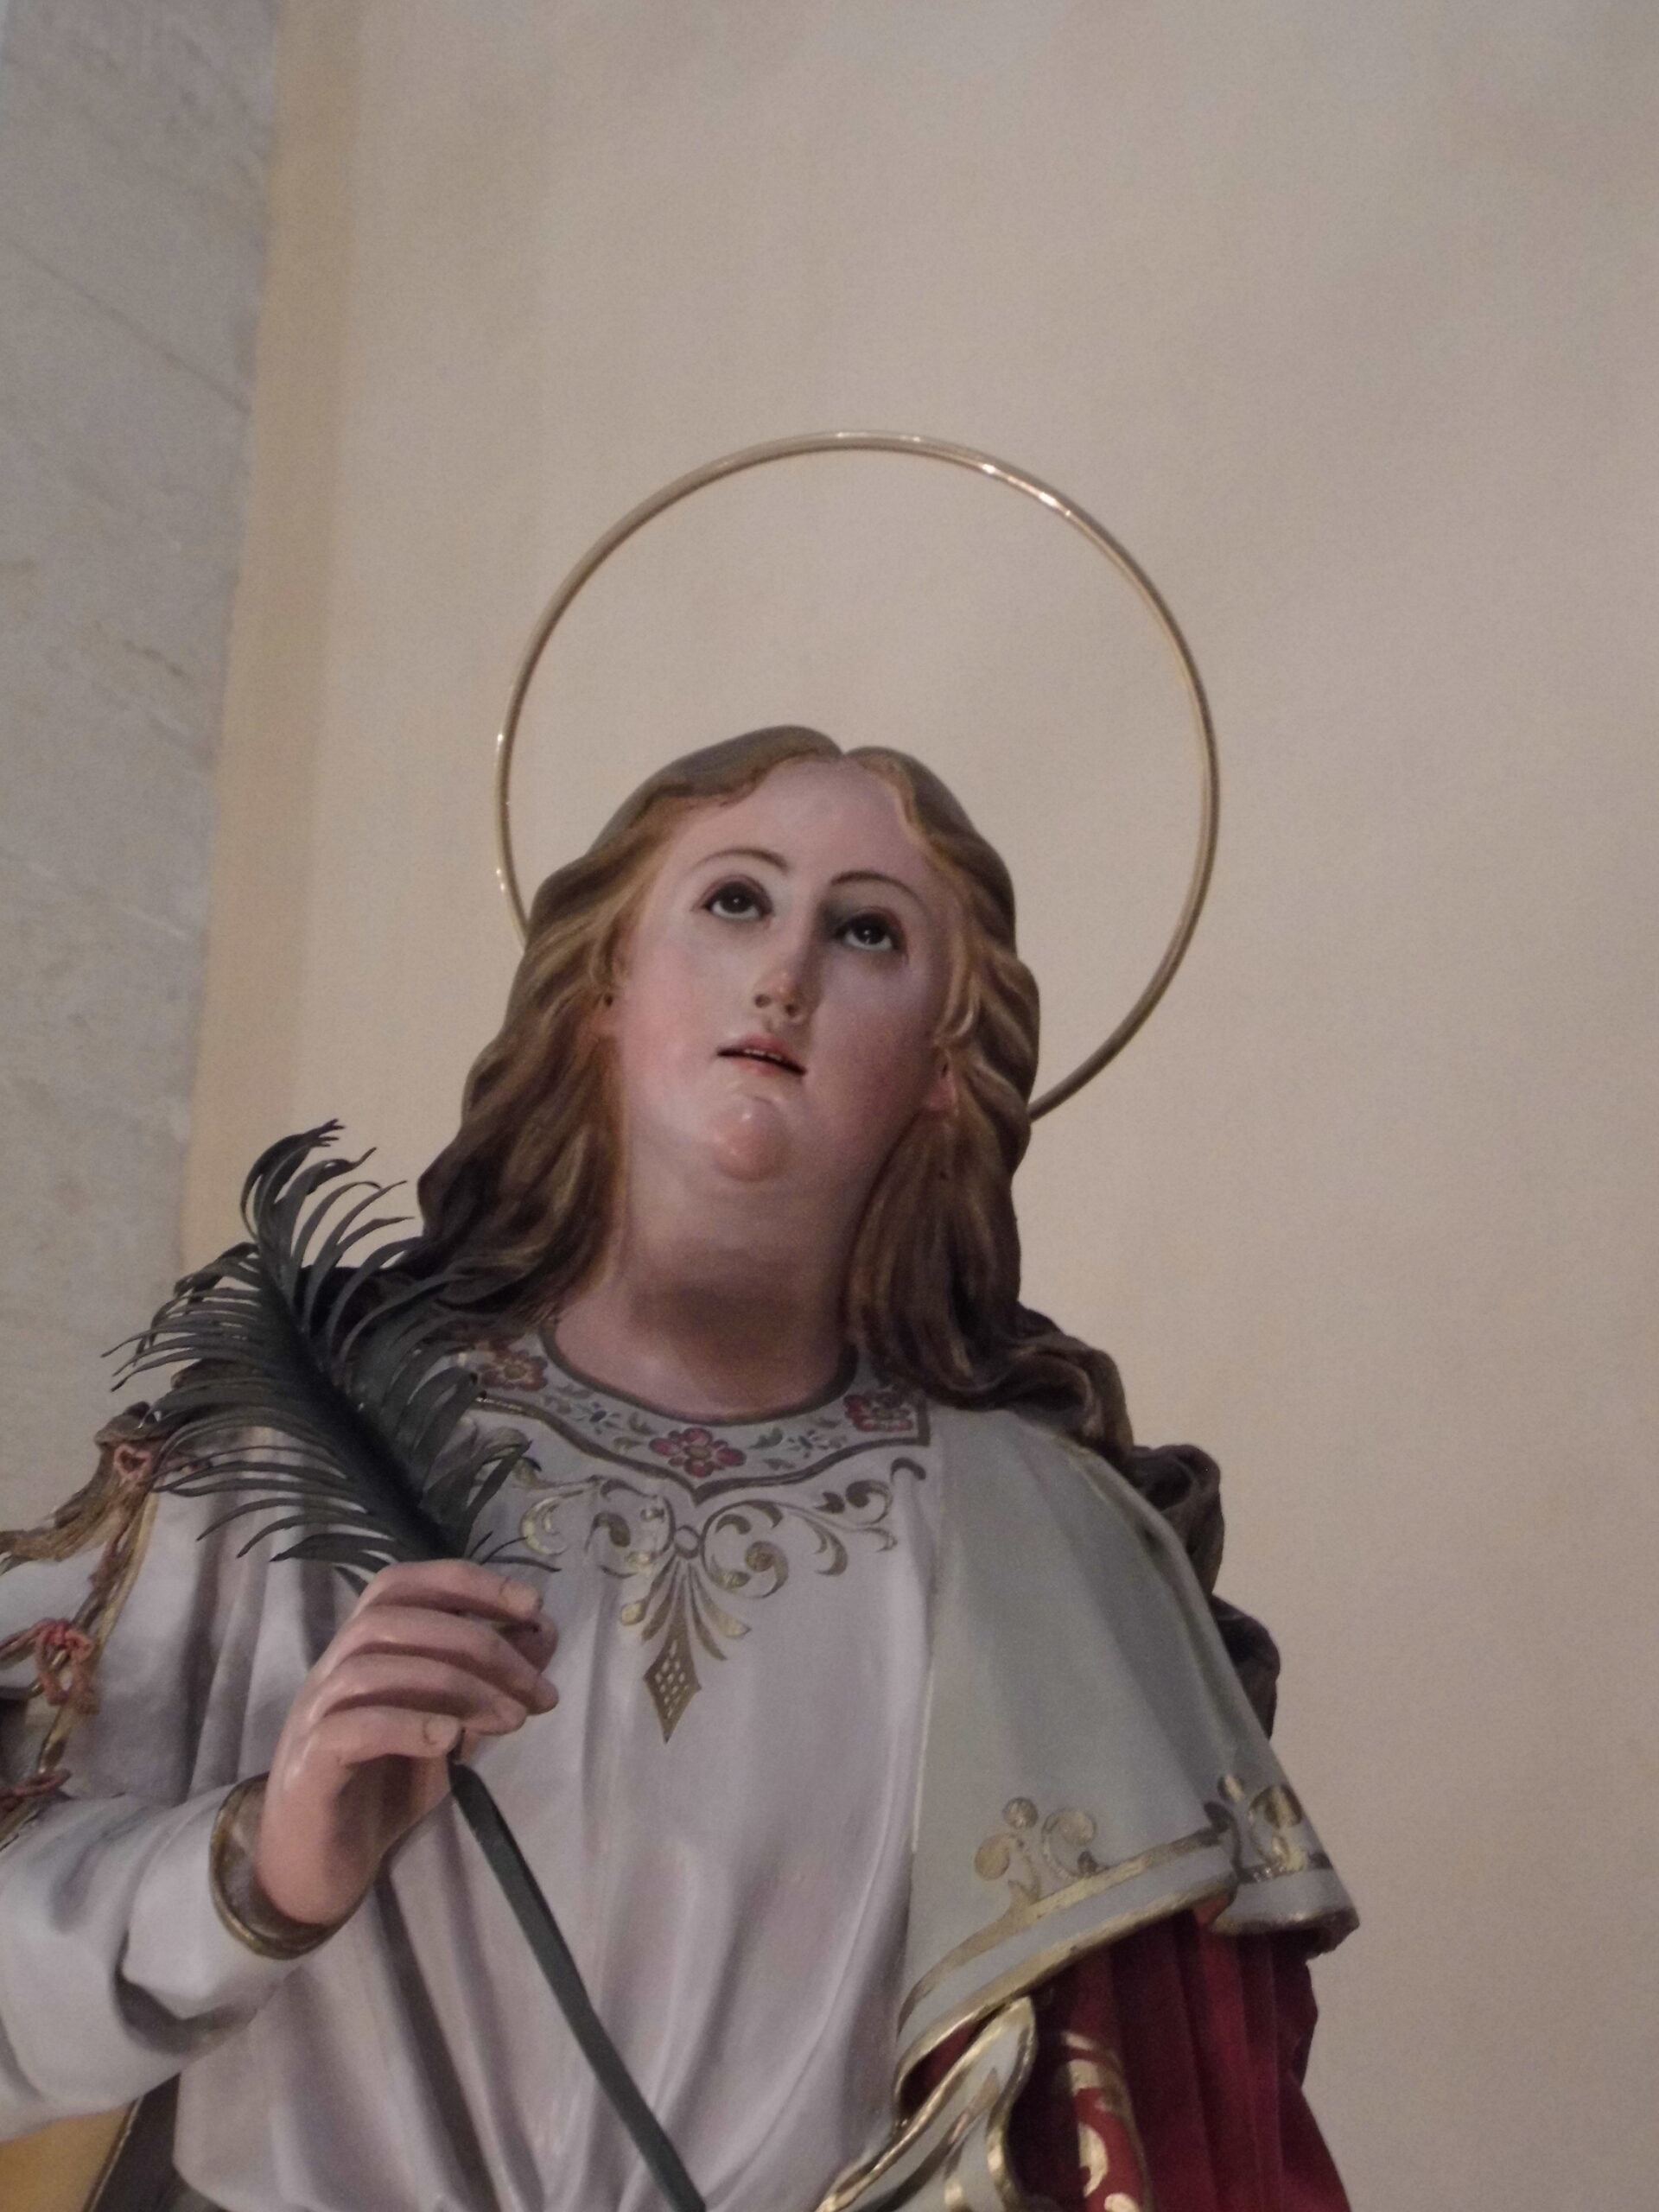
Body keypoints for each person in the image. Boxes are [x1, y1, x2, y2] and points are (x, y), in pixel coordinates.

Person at [0, 728, 1355, 2212]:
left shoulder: (1044, 1539)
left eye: (867, 932)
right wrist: (263, 1868)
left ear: (944, 1070)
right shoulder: (296, 1456)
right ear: (603, 990)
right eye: (735, 901)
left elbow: (1185, 2122)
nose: (786, 975)